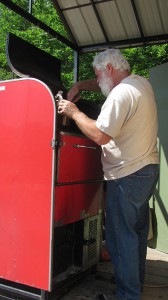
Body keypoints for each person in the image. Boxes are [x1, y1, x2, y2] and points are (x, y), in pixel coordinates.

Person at [57, 49, 159, 300]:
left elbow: (100, 135)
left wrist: (73, 111)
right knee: (134, 235)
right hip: (146, 170)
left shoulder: (119, 95)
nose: (98, 80)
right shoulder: (140, 83)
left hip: (127, 175)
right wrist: (81, 84)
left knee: (119, 240)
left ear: (110, 69)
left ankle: (127, 295)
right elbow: (103, 82)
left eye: (99, 75)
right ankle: (134, 287)